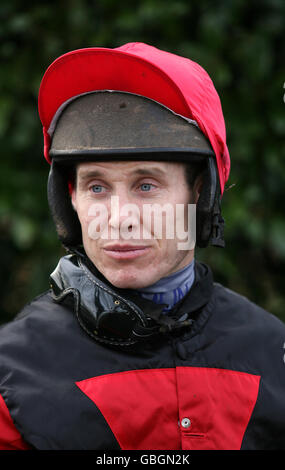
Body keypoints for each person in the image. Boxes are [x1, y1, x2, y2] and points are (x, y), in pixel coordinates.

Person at [0, 42, 284, 451]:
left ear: (200, 195)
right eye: (96, 187)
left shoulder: (274, 352)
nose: (119, 217)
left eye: (146, 185)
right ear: (71, 200)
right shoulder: (12, 375)